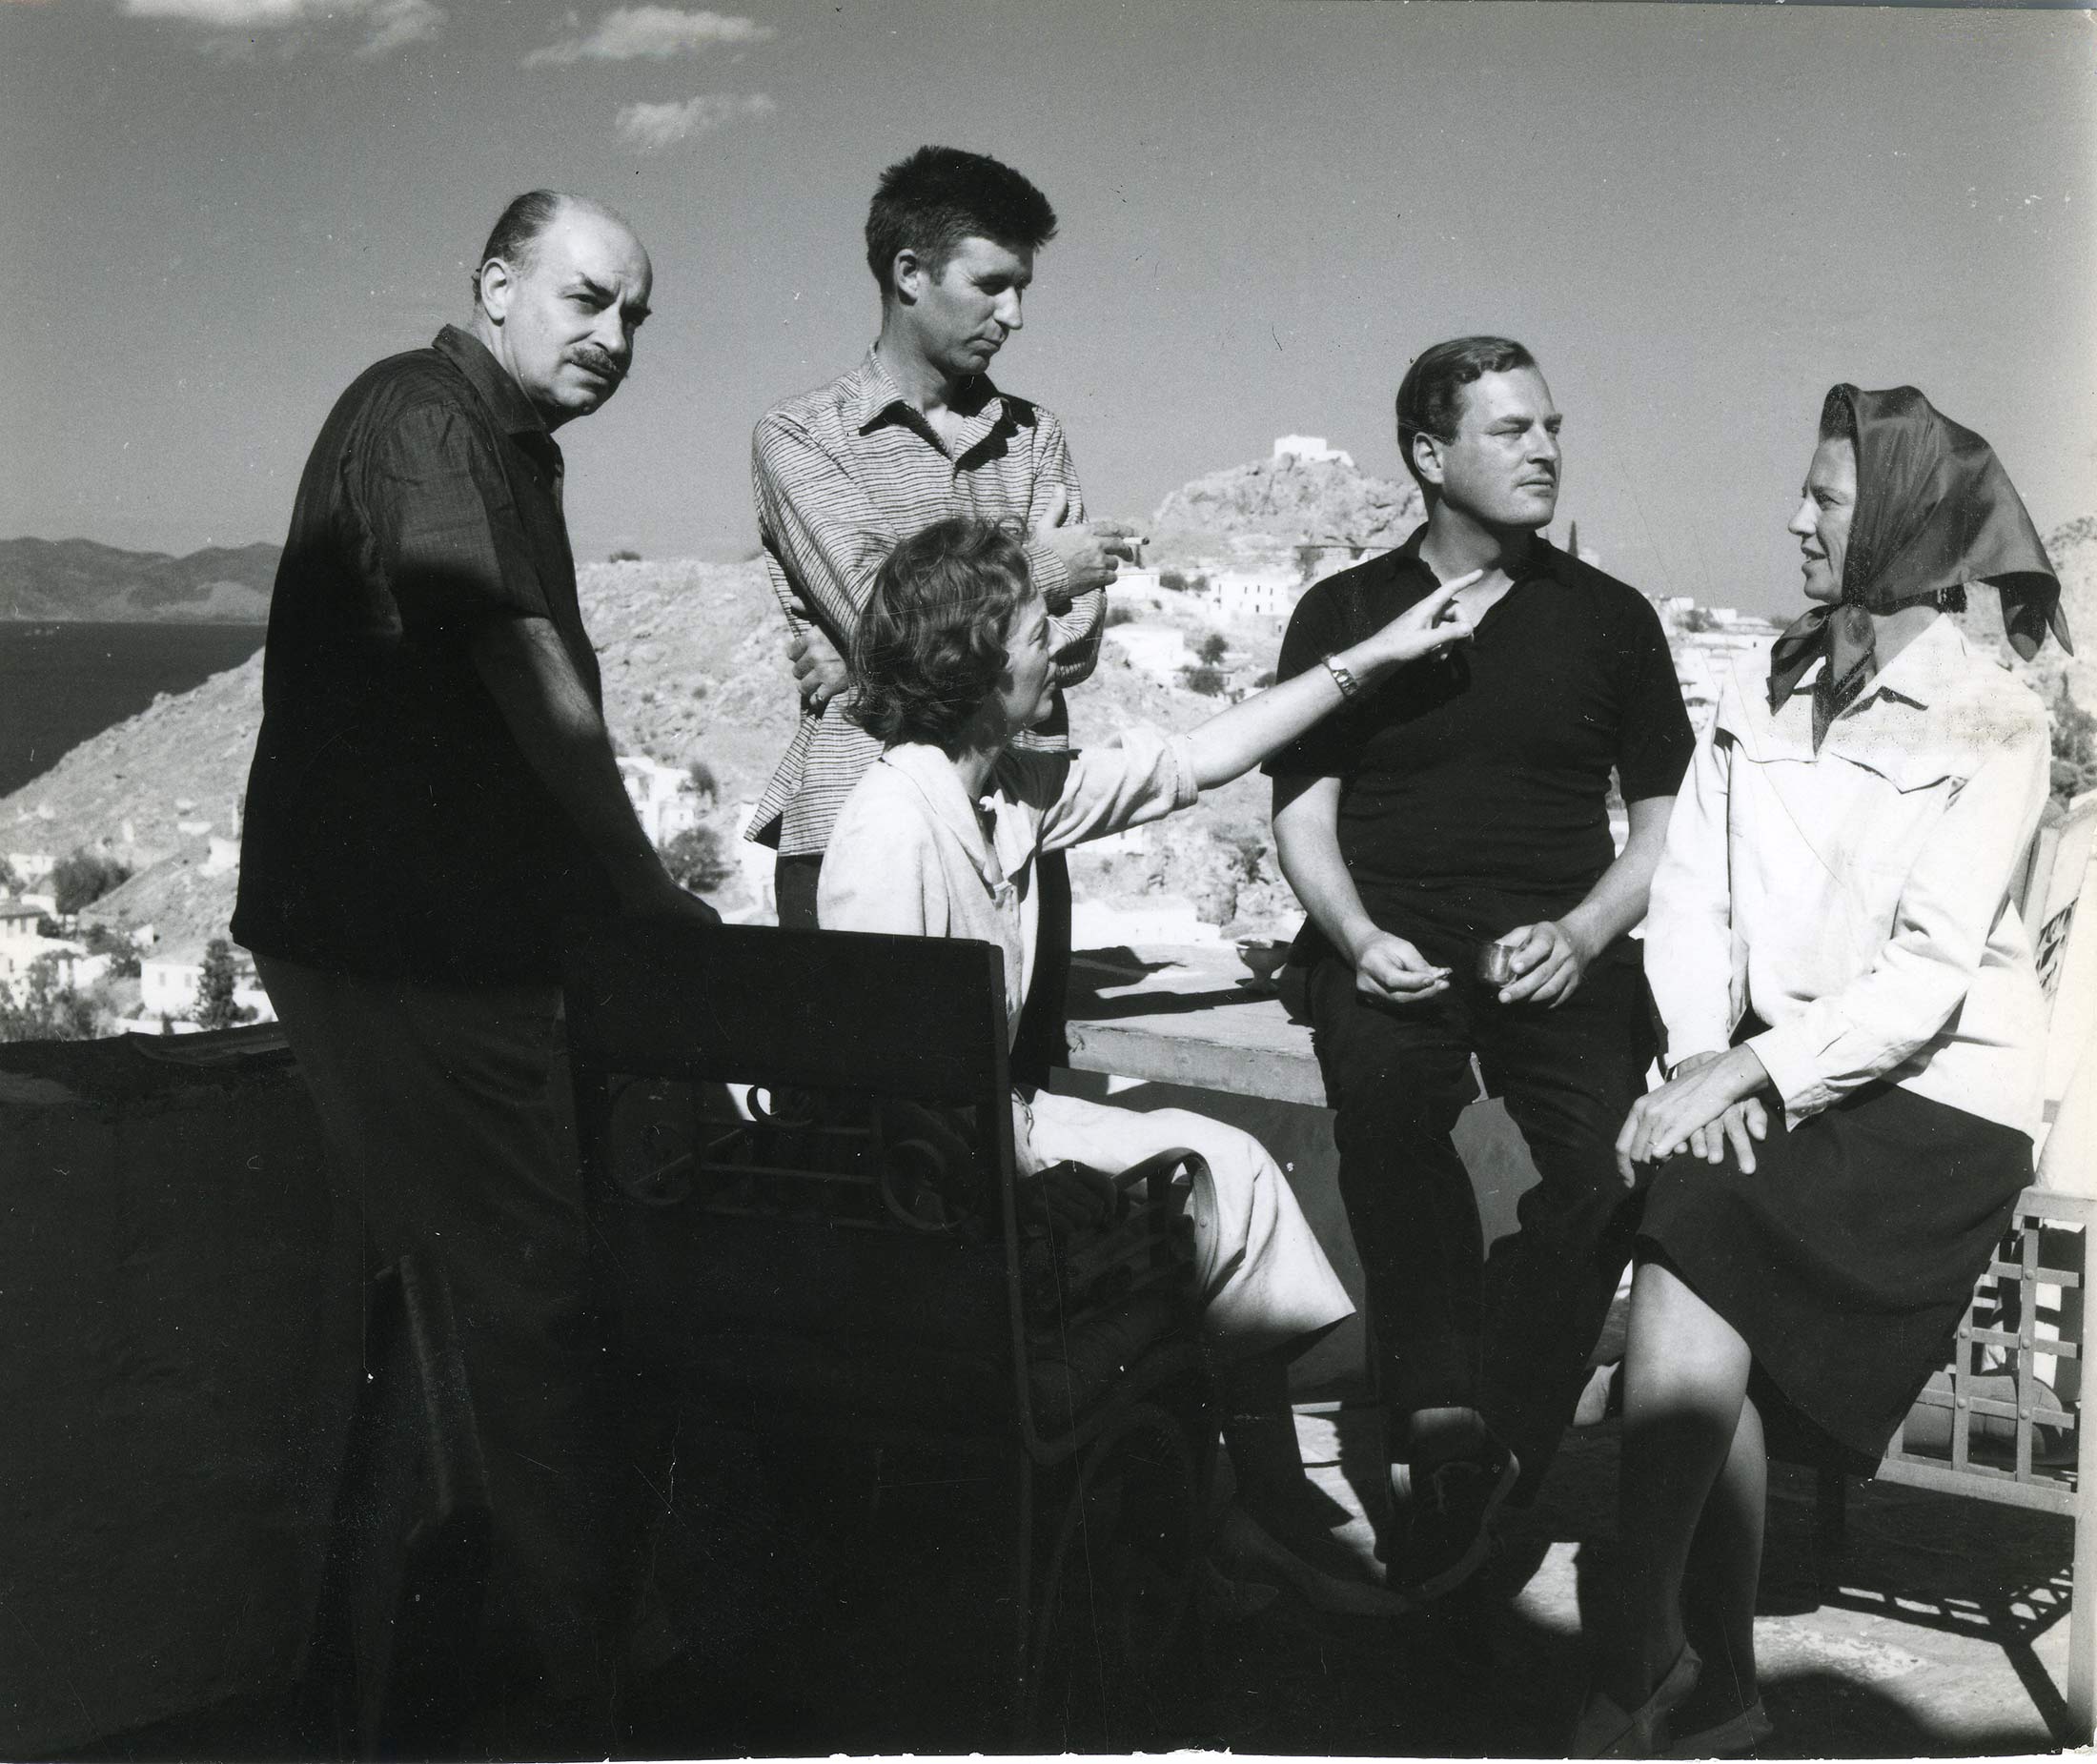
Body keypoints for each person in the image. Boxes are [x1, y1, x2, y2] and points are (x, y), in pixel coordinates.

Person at [233, 192, 716, 1737]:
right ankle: (583, 1687)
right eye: (586, 299)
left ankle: (459, 1666)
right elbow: (516, 661)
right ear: (495, 284)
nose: (615, 337)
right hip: (416, 953)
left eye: (636, 314)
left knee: (476, 1308)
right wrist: (643, 891)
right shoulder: (427, 419)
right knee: (535, 1308)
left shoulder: (492, 441)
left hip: (418, 943)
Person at [818, 515, 1480, 1612]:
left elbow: (1194, 759)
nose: (1058, 645)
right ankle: (1252, 1522)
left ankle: (1251, 1521)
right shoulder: (895, 825)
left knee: (1238, 1174)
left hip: (992, 1135)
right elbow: (884, 1092)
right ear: (977, 662)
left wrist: (1372, 658)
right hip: (945, 1188)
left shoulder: (1001, 792)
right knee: (1212, 1192)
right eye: (1038, 627)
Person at [1581, 384, 2069, 1756]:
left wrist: (1745, 1074)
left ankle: (1647, 1649)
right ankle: (1701, 1681)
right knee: (1694, 1232)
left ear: (1905, 523)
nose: (1795, 521)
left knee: (1693, 1234)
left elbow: (1927, 974)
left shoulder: (1995, 718)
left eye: (1827, 500)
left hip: (1933, 1093)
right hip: (1767, 1076)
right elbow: (1691, 895)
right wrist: (1695, 1059)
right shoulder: (1759, 677)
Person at [1267, 336, 1695, 1598]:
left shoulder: (1609, 618)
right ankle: (1448, 1427)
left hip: (1563, 948)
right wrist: (1355, 938)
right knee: (1391, 1118)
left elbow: (1667, 822)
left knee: (1616, 1160)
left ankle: (1481, 1415)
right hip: (1385, 935)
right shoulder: (1347, 612)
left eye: (1549, 424)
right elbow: (1301, 814)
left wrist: (1581, 931)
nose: (1546, 449)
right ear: (1429, 453)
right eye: (1510, 430)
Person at [745, 144, 1135, 1084]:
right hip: (849, 830)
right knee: (866, 1136)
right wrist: (1042, 566)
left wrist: (876, 654)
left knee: (1018, 1135)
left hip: (1012, 835)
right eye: (992, 285)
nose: (1015, 316)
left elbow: (1069, 646)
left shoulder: (1034, 435)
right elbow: (884, 610)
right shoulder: (800, 436)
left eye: (1022, 288)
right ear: (908, 273)